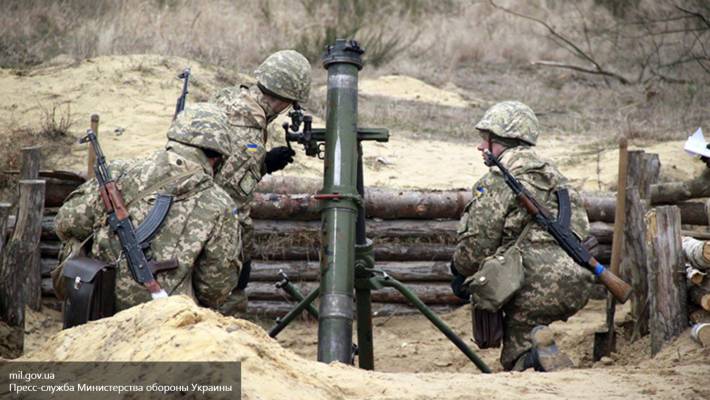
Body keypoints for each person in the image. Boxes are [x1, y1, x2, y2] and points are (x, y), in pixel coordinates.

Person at [55, 103, 242, 311]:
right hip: (168, 324)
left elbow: (65, 224)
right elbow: (215, 289)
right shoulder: (220, 205)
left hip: (97, 313)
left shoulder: (120, 172)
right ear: (218, 156)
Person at [450, 101, 594, 372]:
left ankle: (531, 357)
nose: (481, 147)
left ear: (501, 142)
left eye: (485, 140)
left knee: (515, 354)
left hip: (527, 285)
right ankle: (541, 342)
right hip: (577, 282)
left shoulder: (496, 181)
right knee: (531, 327)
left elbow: (475, 248)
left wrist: (459, 273)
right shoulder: (557, 178)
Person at [209, 49, 312, 315]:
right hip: (214, 228)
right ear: (284, 99)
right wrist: (241, 252)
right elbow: (229, 197)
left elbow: (222, 161)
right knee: (227, 300)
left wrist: (264, 162)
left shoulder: (234, 97)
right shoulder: (249, 124)